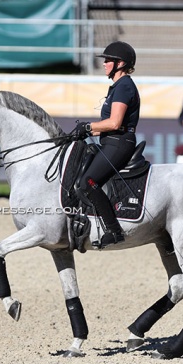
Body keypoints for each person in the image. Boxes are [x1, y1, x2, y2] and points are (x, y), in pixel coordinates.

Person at [70, 41, 140, 249]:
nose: (104, 64)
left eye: (108, 60)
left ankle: (113, 230)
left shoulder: (124, 86)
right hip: (111, 140)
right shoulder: (117, 87)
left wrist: (89, 127)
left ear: (120, 64)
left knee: (89, 181)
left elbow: (115, 123)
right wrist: (81, 132)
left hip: (119, 143)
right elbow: (106, 126)